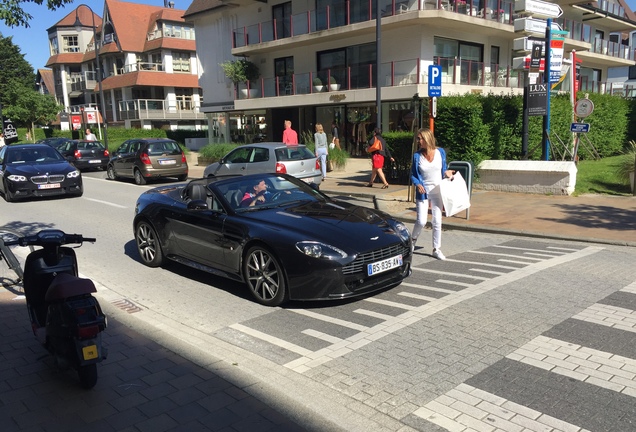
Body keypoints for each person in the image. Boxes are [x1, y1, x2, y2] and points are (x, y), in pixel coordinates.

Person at [410, 128, 454, 260]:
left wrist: (448, 173)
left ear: (427, 138)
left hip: (437, 191)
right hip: (423, 192)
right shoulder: (417, 156)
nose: (418, 141)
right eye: (418, 139)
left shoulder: (440, 152)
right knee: (422, 221)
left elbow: (444, 169)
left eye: (420, 138)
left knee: (437, 221)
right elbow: (413, 174)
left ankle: (436, 249)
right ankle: (412, 241)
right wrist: (418, 184)